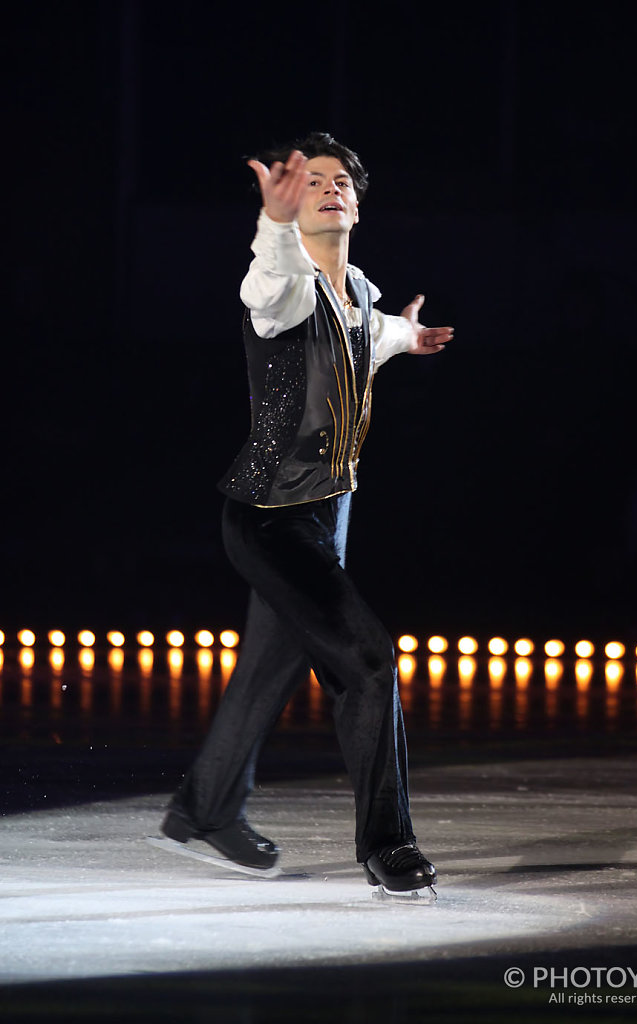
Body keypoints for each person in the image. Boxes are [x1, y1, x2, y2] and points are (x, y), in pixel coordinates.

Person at [159, 132, 453, 894]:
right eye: (312, 181)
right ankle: (386, 845)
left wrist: (405, 338)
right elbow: (265, 288)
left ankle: (204, 809)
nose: (329, 189)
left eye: (340, 183)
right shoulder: (284, 281)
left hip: (329, 515)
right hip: (270, 516)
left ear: (357, 203)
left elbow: (370, 336)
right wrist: (272, 222)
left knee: (264, 674)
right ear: (294, 201)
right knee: (368, 661)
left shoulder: (359, 293)